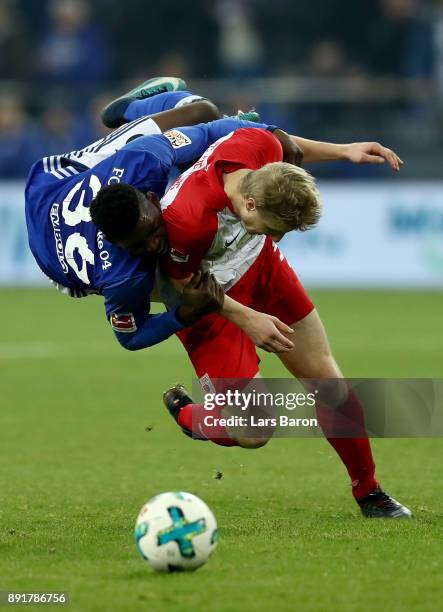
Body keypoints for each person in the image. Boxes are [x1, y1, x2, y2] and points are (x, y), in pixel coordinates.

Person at [92, 120, 411, 518]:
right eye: (275, 230)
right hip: (210, 302)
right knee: (255, 431)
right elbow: (185, 284)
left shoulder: (257, 145)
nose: (278, 237)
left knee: (328, 382)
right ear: (250, 205)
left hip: (260, 270)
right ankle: (193, 418)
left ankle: (370, 492)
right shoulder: (187, 222)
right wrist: (248, 319)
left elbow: (288, 145)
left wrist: (342, 149)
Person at [25, 77, 300, 350]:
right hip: (54, 255)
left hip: (52, 187)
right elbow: (131, 337)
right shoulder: (123, 277)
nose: (154, 243)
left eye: (152, 231)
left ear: (152, 199)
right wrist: (182, 315)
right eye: (138, 245)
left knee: (202, 112)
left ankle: (131, 106)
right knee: (179, 274)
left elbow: (207, 131)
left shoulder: (144, 159)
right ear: (116, 243)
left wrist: (267, 131)